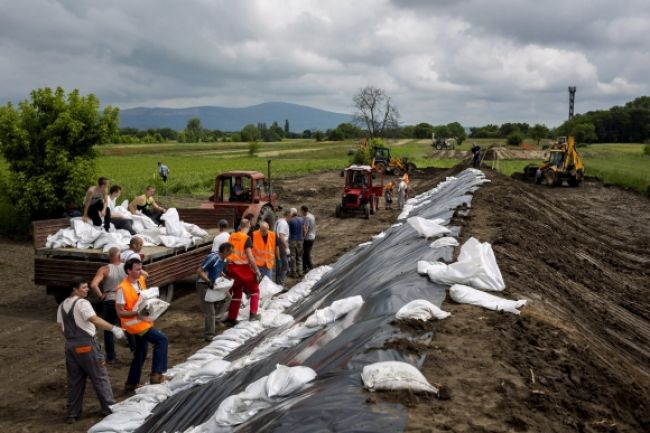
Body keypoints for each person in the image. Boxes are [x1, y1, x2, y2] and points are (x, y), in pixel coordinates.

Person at [57, 277, 125, 423]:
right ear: (75, 290)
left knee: (75, 381)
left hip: (70, 347)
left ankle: (72, 414)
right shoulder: (82, 303)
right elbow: (94, 319)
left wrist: (72, 340)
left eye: (87, 287)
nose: (87, 289)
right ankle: (109, 408)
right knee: (100, 377)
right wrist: (113, 328)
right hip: (86, 346)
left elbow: (61, 328)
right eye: (84, 287)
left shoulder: (62, 306)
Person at [116, 258, 168, 392]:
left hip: (143, 321)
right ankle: (157, 374)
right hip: (135, 325)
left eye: (141, 268)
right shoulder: (122, 288)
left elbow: (145, 279)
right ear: (128, 271)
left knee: (141, 352)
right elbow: (120, 312)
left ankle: (131, 384)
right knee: (161, 339)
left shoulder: (140, 281)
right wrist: (136, 313)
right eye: (137, 269)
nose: (140, 271)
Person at [90, 247, 135, 362]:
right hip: (124, 301)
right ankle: (136, 351)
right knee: (128, 327)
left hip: (109, 300)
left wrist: (100, 296)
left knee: (109, 328)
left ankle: (111, 356)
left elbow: (94, 285)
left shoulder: (104, 269)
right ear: (120, 256)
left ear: (109, 257)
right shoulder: (127, 267)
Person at [224, 218, 262, 326]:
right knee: (255, 290)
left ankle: (232, 317)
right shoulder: (246, 238)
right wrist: (256, 271)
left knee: (237, 291)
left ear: (240, 226)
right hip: (242, 268)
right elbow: (250, 256)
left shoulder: (232, 236)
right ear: (249, 225)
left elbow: (228, 251)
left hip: (231, 267)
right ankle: (253, 314)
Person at [196, 242, 233, 340]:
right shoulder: (213, 258)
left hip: (214, 283)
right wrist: (208, 282)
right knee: (209, 310)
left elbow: (218, 269)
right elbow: (200, 271)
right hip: (203, 284)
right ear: (225, 251)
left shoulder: (223, 259)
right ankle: (209, 334)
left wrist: (224, 276)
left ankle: (217, 318)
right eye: (230, 251)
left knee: (228, 297)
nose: (231, 253)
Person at [274, 208, 291, 286]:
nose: (291, 218)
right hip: (282, 244)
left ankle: (278, 281)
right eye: (290, 216)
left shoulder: (278, 221)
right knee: (285, 265)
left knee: (279, 262)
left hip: (278, 244)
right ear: (287, 215)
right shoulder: (283, 223)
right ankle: (280, 283)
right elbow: (281, 235)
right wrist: (286, 247)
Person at [287, 207, 304, 278]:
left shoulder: (290, 221)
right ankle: (300, 271)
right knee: (299, 256)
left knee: (293, 257)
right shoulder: (301, 220)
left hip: (292, 240)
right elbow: (304, 229)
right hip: (300, 240)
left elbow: (288, 231)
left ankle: (293, 272)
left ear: (292, 213)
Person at [301, 205, 316, 274]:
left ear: (303, 211)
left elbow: (306, 228)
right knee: (305, 253)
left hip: (308, 238)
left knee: (306, 253)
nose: (301, 213)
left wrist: (303, 237)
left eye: (301, 211)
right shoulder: (312, 215)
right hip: (313, 236)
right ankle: (305, 268)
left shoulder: (307, 218)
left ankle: (310, 267)